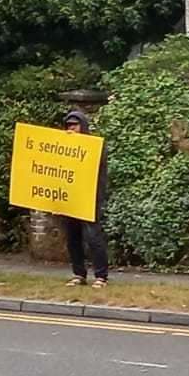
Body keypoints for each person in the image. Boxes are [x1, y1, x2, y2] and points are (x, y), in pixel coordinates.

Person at [60, 109, 110, 288]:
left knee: (93, 237)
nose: (72, 128)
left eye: (75, 125)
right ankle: (78, 273)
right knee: (72, 238)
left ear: (83, 126)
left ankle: (101, 276)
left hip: (90, 198)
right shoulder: (63, 147)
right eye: (69, 125)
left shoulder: (94, 145)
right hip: (70, 198)